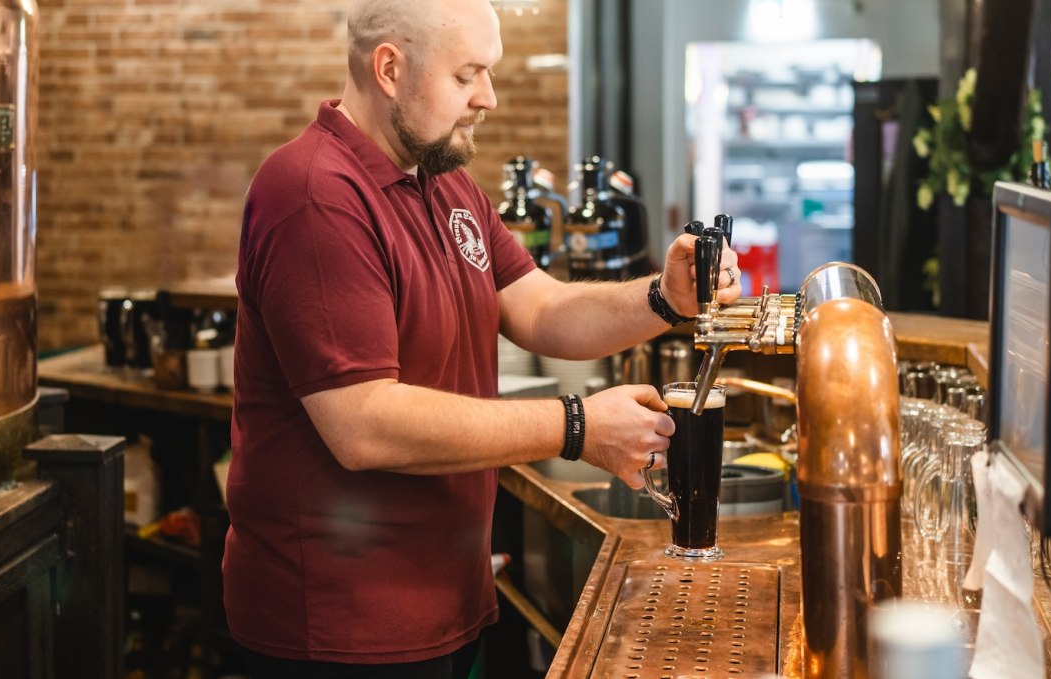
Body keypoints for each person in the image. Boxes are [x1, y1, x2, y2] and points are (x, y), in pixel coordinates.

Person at [224, 0, 740, 676]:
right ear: (389, 69)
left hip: (444, 603)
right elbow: (363, 423)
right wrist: (577, 425)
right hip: (338, 630)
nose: (488, 98)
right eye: (467, 75)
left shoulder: (447, 183)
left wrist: (664, 298)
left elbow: (542, 308)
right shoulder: (314, 193)